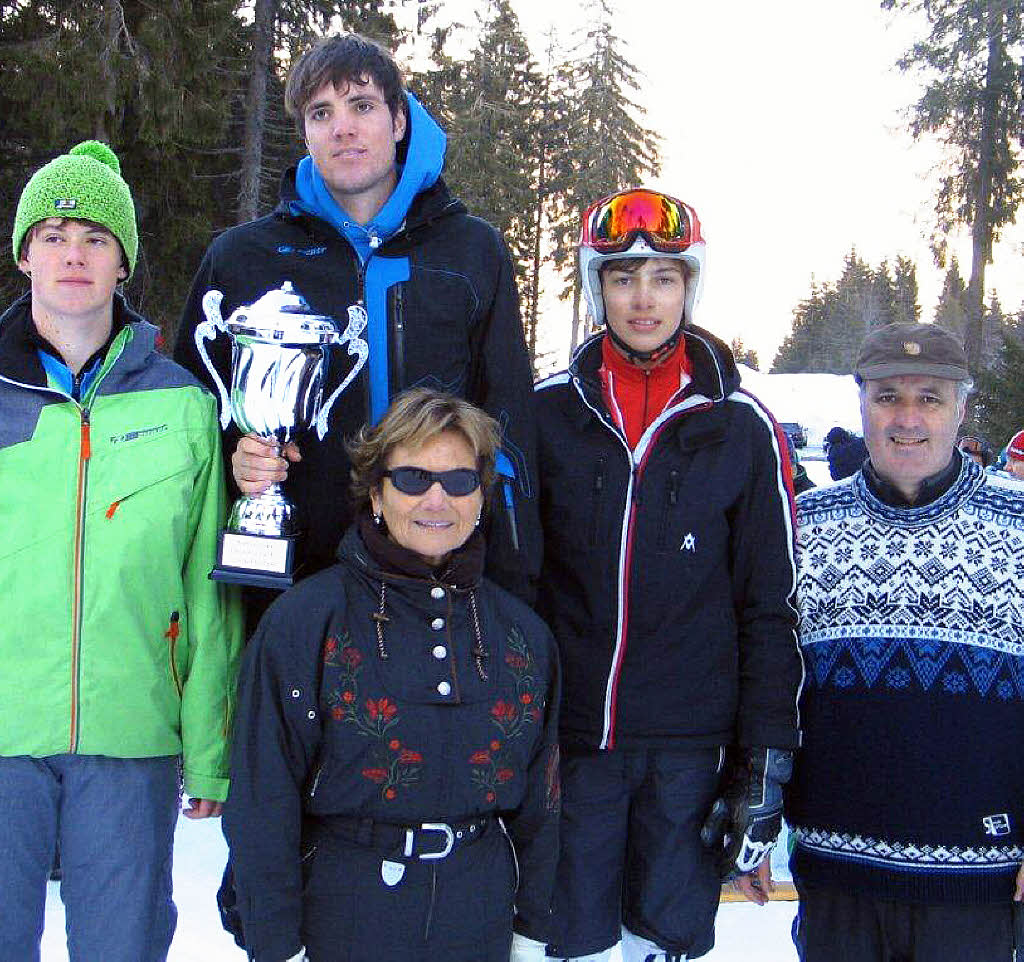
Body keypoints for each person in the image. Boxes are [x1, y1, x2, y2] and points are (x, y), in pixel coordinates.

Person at [173, 33, 538, 622]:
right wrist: (238, 457)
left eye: (362, 106)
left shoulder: (473, 252)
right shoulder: (242, 258)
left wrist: (514, 584)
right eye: (322, 112)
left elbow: (510, 424)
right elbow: (192, 417)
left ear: (398, 120)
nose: (343, 128)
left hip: (439, 582)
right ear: (305, 133)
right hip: (287, 584)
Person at [534, 188, 803, 962]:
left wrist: (762, 763)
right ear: (596, 290)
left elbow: (770, 609)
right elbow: (519, 582)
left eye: (664, 277)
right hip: (573, 746)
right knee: (568, 943)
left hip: (688, 757)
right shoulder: (550, 413)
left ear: (690, 287)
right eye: (621, 277)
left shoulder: (741, 425)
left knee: (664, 942)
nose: (642, 298)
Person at [0, 141, 243, 961]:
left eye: (96, 237)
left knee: (123, 947)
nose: (75, 252)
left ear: (122, 263)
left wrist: (209, 755)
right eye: (56, 232)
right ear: (26, 252)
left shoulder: (181, 404)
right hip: (0, 740)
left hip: (131, 741)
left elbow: (207, 592)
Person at [222, 388, 561, 962]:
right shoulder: (307, 622)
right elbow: (262, 801)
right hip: (342, 910)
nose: (437, 498)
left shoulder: (522, 635)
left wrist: (530, 932)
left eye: (458, 481)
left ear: (481, 495)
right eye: (412, 479)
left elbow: (541, 802)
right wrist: (277, 945)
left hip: (476, 910)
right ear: (376, 491)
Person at [784, 322, 1024, 961]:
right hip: (837, 878)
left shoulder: (1020, 523)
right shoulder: (804, 527)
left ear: (961, 408)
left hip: (979, 881)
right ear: (861, 403)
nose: (908, 417)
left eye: (930, 398)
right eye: (888, 396)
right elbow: (771, 690)